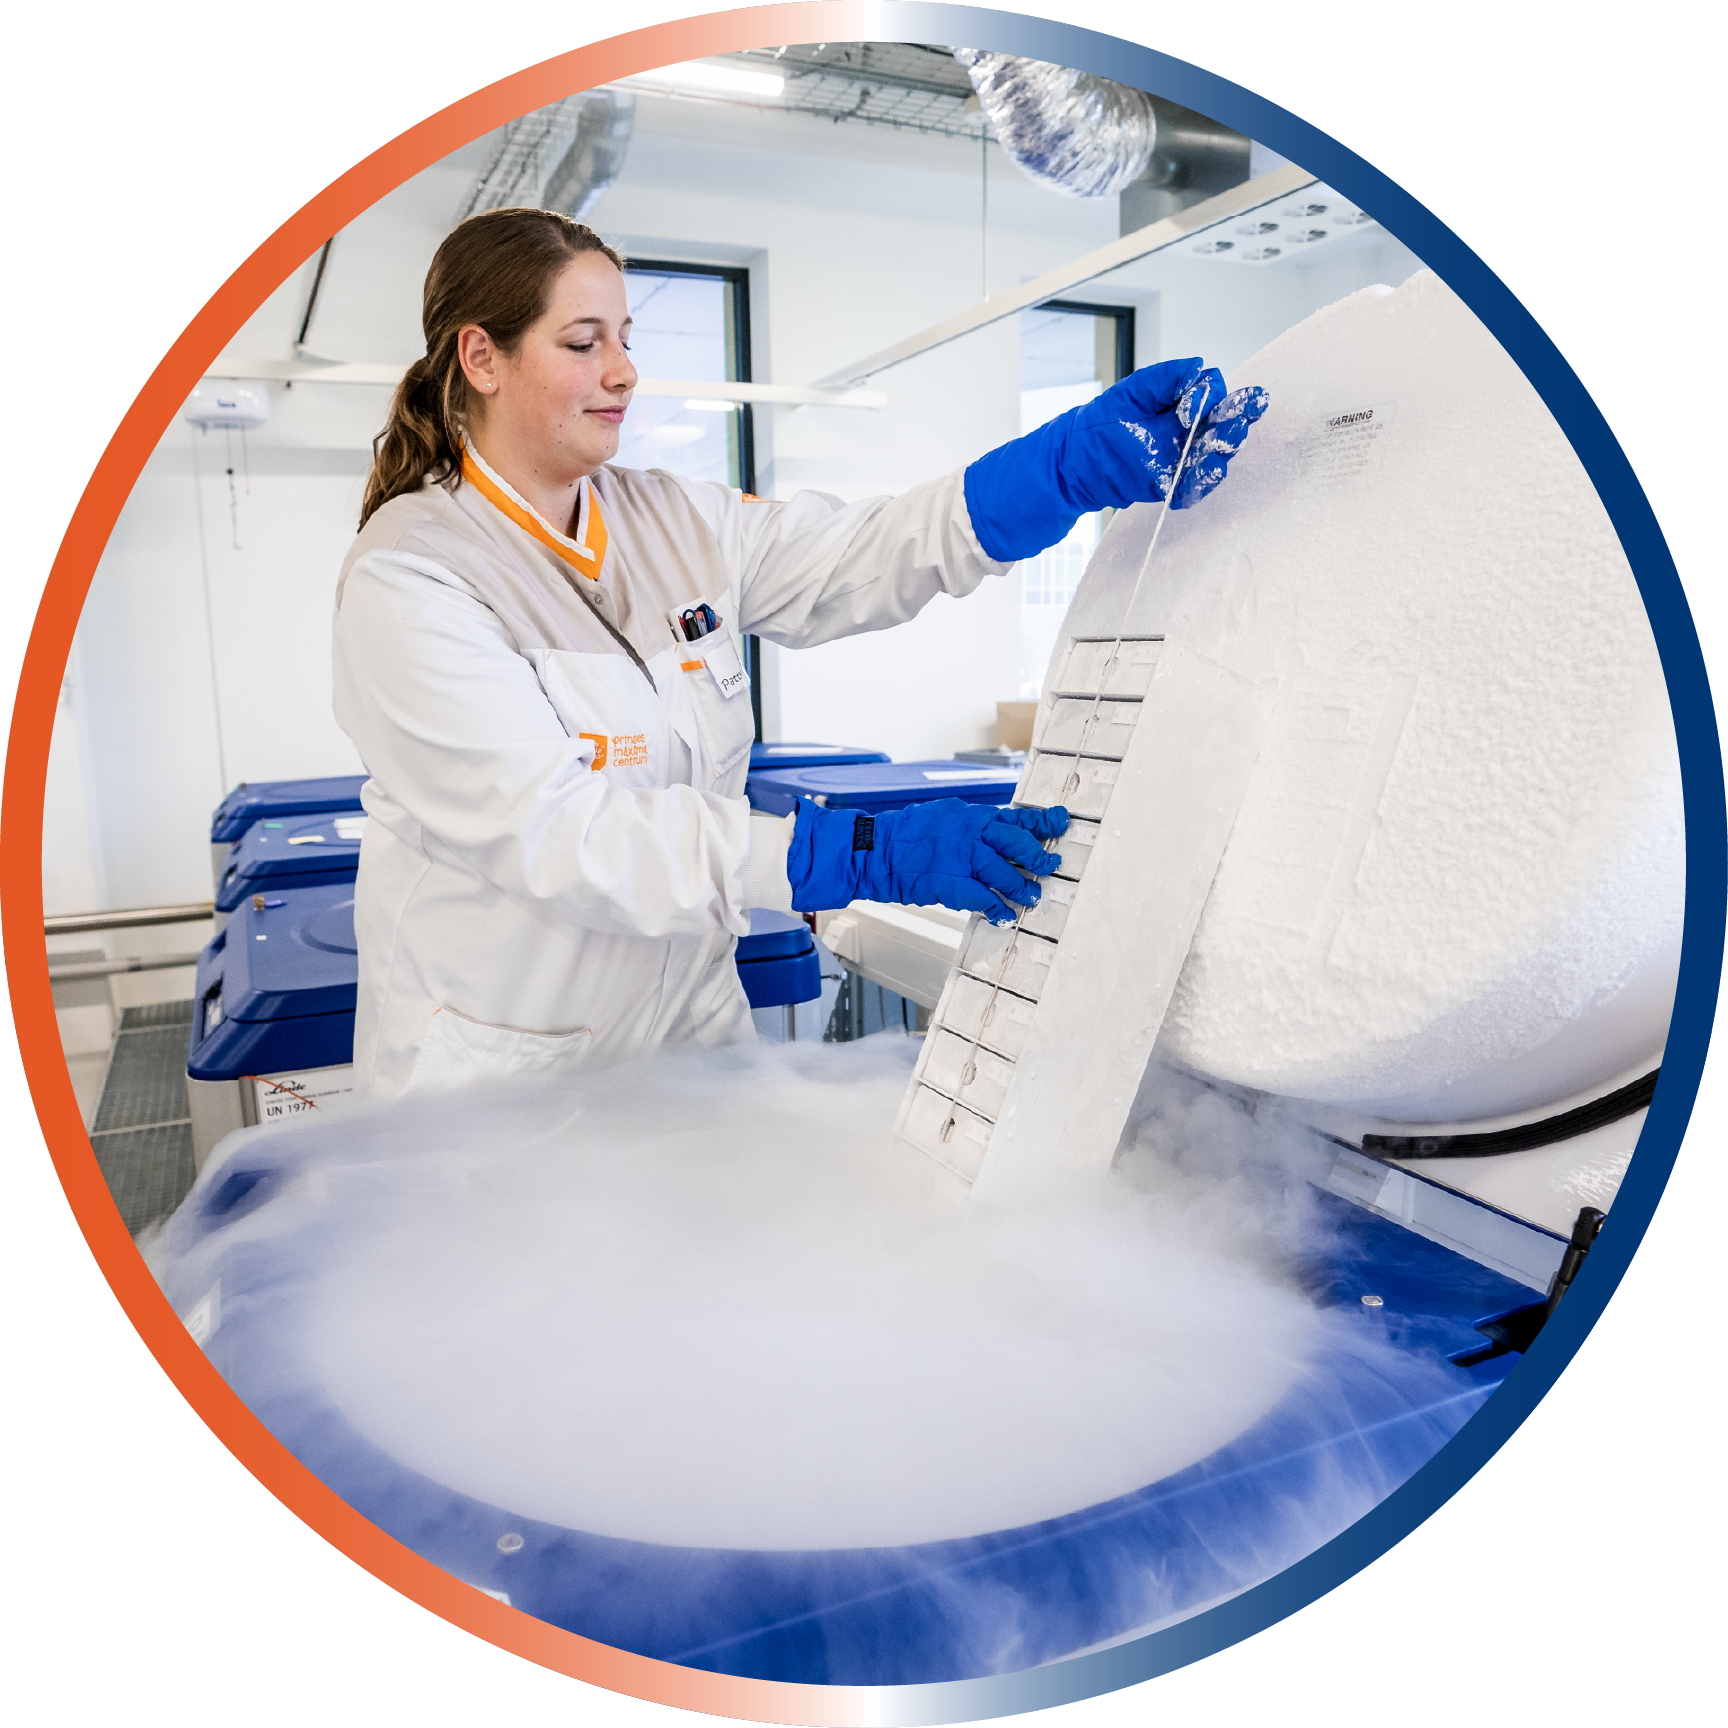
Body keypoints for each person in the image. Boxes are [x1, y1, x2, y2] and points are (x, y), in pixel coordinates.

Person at [333, 208, 1266, 1101]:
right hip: (505, 1082)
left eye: (626, 339)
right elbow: (565, 838)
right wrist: (855, 850)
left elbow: (864, 553)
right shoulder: (414, 578)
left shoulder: (670, 518)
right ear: (480, 356)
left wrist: (1058, 469)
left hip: (687, 1042)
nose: (621, 371)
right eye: (584, 344)